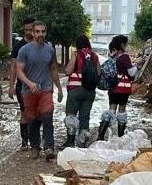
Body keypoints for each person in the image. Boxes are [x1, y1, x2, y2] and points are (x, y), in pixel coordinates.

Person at [16, 20, 64, 161]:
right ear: (32, 32)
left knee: (47, 115)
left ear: (45, 32)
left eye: (43, 31)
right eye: (37, 31)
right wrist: (29, 84)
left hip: (46, 89)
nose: (40, 34)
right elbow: (19, 71)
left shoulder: (49, 50)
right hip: (29, 91)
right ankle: (35, 147)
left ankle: (49, 147)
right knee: (33, 119)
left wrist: (59, 88)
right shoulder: (24, 50)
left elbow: (54, 69)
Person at [63, 35, 101, 148]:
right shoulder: (95, 56)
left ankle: (70, 141)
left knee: (71, 115)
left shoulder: (76, 54)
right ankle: (82, 142)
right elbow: (99, 73)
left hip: (75, 89)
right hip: (89, 91)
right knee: (85, 116)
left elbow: (67, 71)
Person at [98, 34, 137, 140]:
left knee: (111, 110)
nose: (127, 46)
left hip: (113, 88)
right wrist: (137, 65)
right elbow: (131, 73)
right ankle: (120, 136)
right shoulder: (125, 57)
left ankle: (101, 135)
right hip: (123, 89)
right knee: (122, 111)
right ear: (122, 45)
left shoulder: (113, 58)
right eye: (126, 44)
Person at [9, 16, 35, 150]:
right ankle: (25, 141)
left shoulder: (40, 45)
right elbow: (13, 67)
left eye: (31, 30)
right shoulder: (18, 47)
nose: (28, 32)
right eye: (26, 30)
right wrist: (11, 86)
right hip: (22, 86)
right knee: (24, 112)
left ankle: (35, 140)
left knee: (36, 113)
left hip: (37, 85)